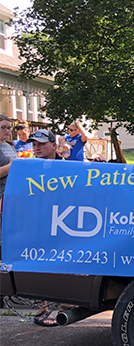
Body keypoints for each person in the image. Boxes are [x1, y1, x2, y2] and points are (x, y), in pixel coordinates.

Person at [26, 129, 68, 325]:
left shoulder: (68, 166)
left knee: (64, 261)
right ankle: (41, 310)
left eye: (41, 144)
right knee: (37, 263)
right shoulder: (28, 166)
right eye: (34, 144)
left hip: (62, 222)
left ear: (54, 145)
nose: (36, 148)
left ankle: (67, 304)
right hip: (37, 222)